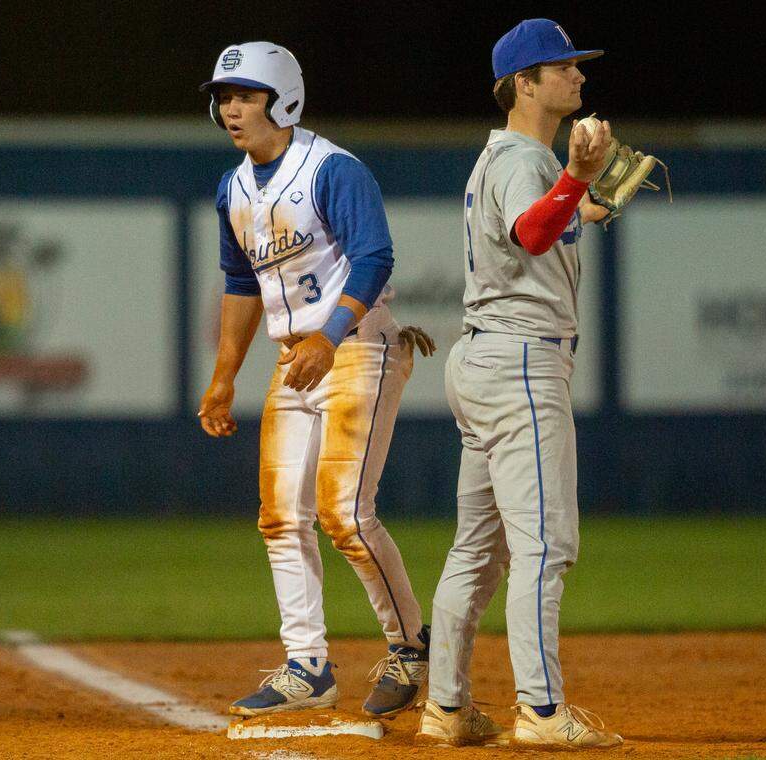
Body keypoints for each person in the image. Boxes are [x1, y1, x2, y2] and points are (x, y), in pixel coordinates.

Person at [196, 41, 436, 720]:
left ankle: (409, 648)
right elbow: (240, 282)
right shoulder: (234, 188)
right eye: (224, 97)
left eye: (246, 96)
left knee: (347, 515)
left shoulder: (331, 168)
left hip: (357, 348)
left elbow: (375, 258)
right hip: (295, 358)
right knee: (280, 518)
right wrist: (223, 377)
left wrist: (328, 338)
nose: (232, 108)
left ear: (284, 100)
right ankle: (307, 666)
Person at [415, 19, 622, 749]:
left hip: (486, 363)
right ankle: (539, 709)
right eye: (562, 67)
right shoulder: (526, 161)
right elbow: (532, 233)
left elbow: (540, 227)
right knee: (545, 543)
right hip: (520, 367)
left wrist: (585, 202)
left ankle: (445, 707)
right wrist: (578, 179)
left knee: (478, 549)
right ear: (523, 84)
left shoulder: (509, 159)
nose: (578, 75)